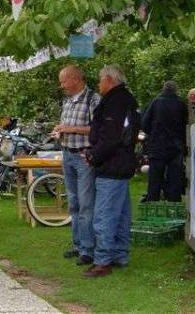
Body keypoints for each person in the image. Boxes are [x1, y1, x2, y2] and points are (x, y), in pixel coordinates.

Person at [83, 65, 139, 278]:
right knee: (122, 213)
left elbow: (110, 138)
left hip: (111, 165)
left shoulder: (115, 103)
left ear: (109, 80)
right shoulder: (126, 100)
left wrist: (93, 155)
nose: (98, 85)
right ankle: (120, 254)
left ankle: (103, 260)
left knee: (104, 215)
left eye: (100, 80)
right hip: (122, 164)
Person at [53, 65, 101, 266]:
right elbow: (66, 126)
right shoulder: (68, 101)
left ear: (74, 79)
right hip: (68, 154)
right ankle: (78, 243)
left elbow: (98, 129)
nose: (62, 85)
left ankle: (88, 249)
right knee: (73, 202)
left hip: (84, 157)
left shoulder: (93, 99)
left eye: (63, 81)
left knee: (86, 203)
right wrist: (59, 131)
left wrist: (70, 128)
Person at [141, 81, 188, 202]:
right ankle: (174, 209)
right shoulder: (181, 104)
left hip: (157, 146)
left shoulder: (156, 102)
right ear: (175, 90)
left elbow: (144, 124)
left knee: (155, 180)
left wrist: (153, 133)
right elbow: (185, 126)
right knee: (175, 180)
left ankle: (152, 206)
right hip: (176, 147)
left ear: (163, 89)